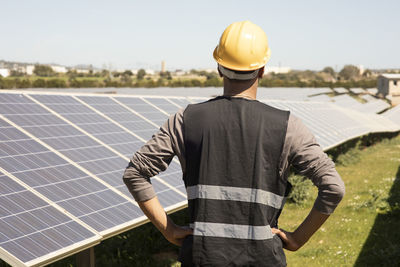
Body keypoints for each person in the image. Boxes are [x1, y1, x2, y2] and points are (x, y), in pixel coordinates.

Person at [123, 21, 345, 266]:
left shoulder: (184, 120)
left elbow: (135, 173)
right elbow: (333, 187)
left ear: (219, 67)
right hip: (263, 259)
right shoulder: (289, 126)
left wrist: (170, 230)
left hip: (201, 258)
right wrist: (297, 239)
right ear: (262, 69)